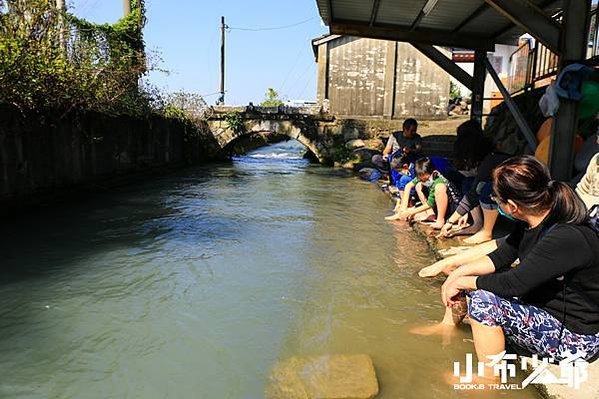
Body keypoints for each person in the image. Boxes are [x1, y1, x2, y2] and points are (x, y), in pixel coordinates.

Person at [441, 155, 599, 370]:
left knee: (483, 301)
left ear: (513, 206)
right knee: (468, 279)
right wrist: (457, 274)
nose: (495, 203)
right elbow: (500, 258)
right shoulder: (531, 221)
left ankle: (488, 379)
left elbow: (514, 283)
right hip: (542, 308)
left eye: (497, 199)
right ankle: (447, 328)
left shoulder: (565, 236)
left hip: (575, 338)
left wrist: (462, 282)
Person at [439, 121, 511, 244]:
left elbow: (472, 196)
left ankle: (486, 231)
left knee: (487, 189)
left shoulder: (490, 162)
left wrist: (450, 222)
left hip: (518, 196)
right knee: (472, 184)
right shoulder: (489, 158)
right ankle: (478, 224)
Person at [386, 157, 461, 229]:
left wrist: (410, 211)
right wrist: (403, 209)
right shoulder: (422, 176)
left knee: (439, 188)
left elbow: (429, 204)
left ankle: (440, 220)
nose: (424, 181)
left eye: (425, 179)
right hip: (437, 207)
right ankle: (431, 214)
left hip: (452, 208)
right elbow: (408, 186)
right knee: (418, 186)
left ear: (433, 172)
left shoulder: (438, 181)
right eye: (421, 179)